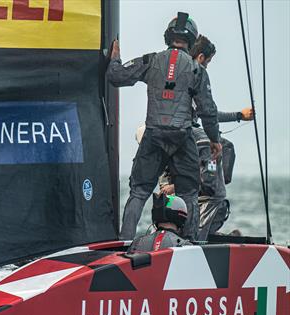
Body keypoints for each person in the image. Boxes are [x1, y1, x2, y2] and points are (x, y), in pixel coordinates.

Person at [107, 12, 222, 241]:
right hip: (182, 136)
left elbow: (116, 77)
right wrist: (214, 139)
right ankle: (190, 244)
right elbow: (207, 110)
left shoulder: (151, 60)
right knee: (189, 193)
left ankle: (123, 243)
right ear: (191, 40)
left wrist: (115, 59)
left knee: (139, 192)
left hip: (153, 135)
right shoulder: (197, 69)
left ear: (168, 37)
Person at [160, 35, 254, 240]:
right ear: (201, 57)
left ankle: (205, 185)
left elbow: (207, 114)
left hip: (166, 134)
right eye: (209, 62)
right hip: (188, 137)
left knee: (224, 149)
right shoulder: (195, 75)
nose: (208, 67)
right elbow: (209, 114)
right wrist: (239, 115)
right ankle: (196, 239)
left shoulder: (175, 71)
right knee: (216, 192)